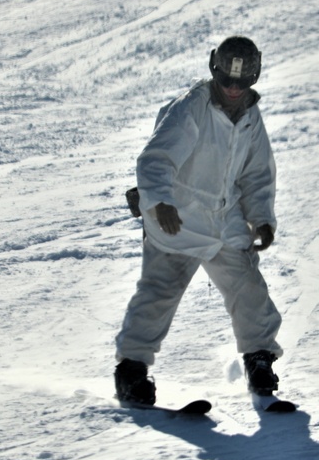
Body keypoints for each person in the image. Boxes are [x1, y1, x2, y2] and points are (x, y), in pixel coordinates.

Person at [114, 35, 283, 406]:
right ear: (214, 71)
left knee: (249, 290)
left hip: (225, 221)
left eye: (244, 80)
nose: (235, 89)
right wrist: (159, 203)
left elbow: (256, 175)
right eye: (227, 80)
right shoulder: (191, 108)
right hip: (179, 219)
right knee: (159, 293)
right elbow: (155, 159)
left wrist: (261, 219)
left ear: (255, 76)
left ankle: (259, 361)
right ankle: (131, 372)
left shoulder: (251, 118)